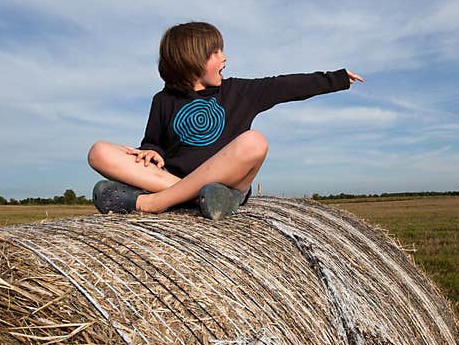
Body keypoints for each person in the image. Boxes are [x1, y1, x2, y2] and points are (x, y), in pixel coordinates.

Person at [87, 21, 364, 219]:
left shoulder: (239, 92)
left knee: (255, 142)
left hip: (228, 185)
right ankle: (192, 198)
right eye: (216, 52)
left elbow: (286, 86)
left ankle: (155, 202)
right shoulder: (164, 100)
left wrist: (336, 79)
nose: (225, 57)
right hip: (178, 179)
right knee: (99, 151)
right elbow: (154, 142)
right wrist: (151, 151)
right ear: (192, 60)